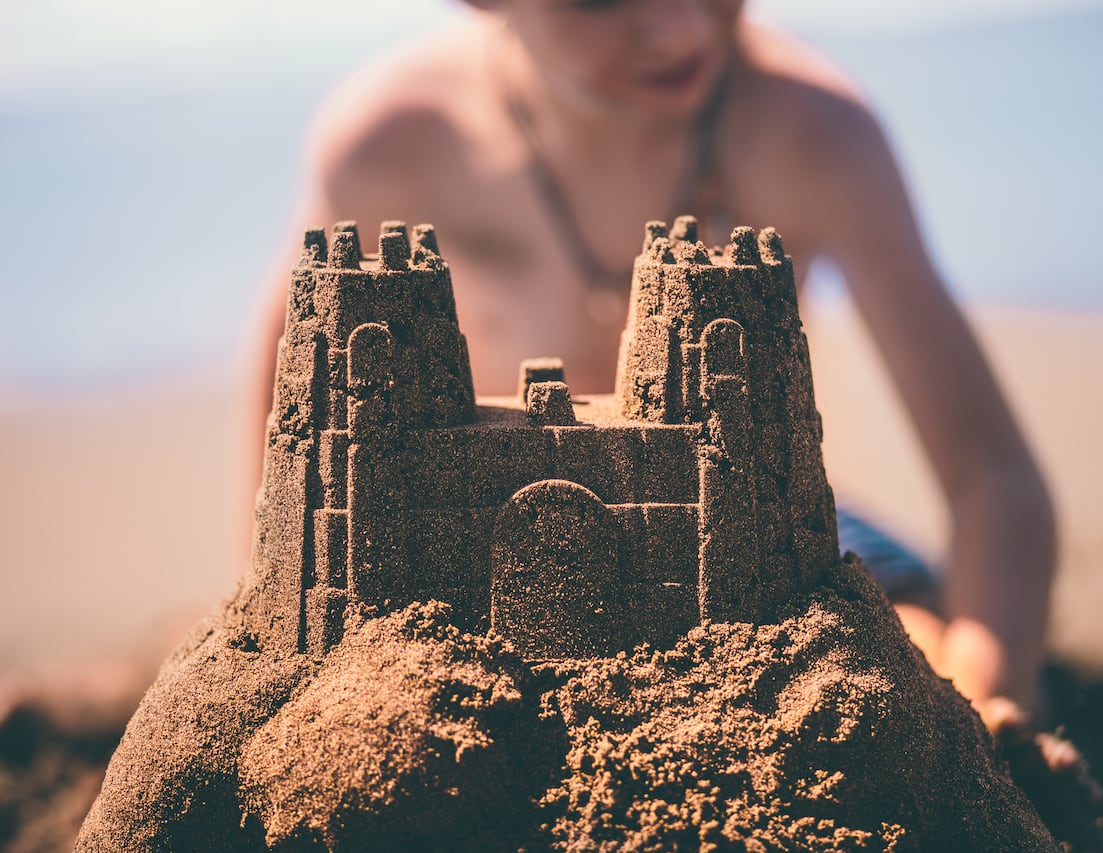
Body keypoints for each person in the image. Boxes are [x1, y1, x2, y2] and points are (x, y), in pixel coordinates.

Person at [249, 0, 1056, 713]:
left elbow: (993, 478)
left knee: (894, 645)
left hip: (725, 526)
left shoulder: (817, 140)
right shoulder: (394, 144)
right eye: (598, 0)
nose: (679, 26)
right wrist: (268, 613)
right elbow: (291, 415)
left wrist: (990, 699)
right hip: (473, 535)